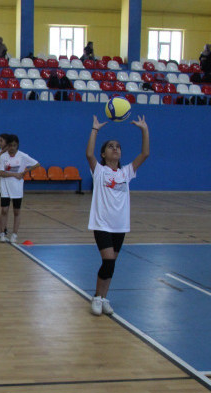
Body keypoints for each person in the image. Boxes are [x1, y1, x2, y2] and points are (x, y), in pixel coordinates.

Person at [85, 115, 149, 316]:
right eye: (111, 146)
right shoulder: (100, 171)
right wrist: (95, 129)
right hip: (102, 223)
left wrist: (144, 130)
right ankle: (96, 297)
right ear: (103, 154)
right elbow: (88, 154)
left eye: (118, 147)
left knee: (111, 264)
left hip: (120, 225)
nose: (115, 148)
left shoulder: (126, 172)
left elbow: (145, 154)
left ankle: (103, 298)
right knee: (109, 261)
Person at [0, 134, 41, 244]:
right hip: (5, 187)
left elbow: (37, 164)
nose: (12, 148)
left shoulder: (22, 156)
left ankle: (14, 234)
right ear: (8, 146)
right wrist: (15, 175)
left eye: (14, 145)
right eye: (10, 145)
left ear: (17, 145)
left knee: (16, 211)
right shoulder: (3, 157)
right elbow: (1, 173)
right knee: (4, 210)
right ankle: (2, 233)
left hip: (17, 189)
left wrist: (24, 172)